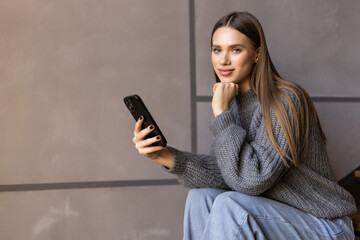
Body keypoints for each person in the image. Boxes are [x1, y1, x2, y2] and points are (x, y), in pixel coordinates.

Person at [132, 11, 357, 239]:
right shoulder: (234, 106)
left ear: (257, 54)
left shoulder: (286, 100)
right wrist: (163, 155)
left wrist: (221, 114)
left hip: (325, 226)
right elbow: (227, 174)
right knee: (200, 197)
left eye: (236, 50)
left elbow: (251, 181)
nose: (223, 60)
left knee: (230, 206)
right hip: (278, 218)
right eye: (217, 49)